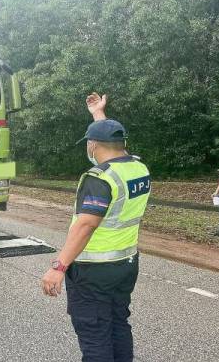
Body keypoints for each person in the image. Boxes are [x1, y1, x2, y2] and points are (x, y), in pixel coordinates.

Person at [41, 93, 150, 362]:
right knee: (118, 325)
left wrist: (58, 267)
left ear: (93, 145)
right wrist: (98, 115)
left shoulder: (98, 179)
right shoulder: (138, 168)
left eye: (90, 143)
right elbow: (110, 150)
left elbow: (86, 224)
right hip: (125, 264)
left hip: (94, 271)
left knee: (95, 335)